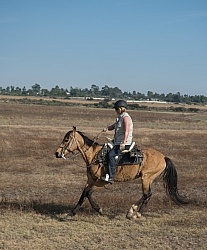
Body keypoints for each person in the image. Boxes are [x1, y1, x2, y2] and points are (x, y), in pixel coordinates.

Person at [102, 100, 133, 183]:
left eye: (116, 109)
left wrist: (124, 142)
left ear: (121, 108)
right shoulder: (120, 118)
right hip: (117, 141)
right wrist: (107, 128)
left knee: (111, 155)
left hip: (123, 143)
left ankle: (111, 176)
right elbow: (114, 126)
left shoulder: (126, 118)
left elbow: (127, 131)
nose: (115, 111)